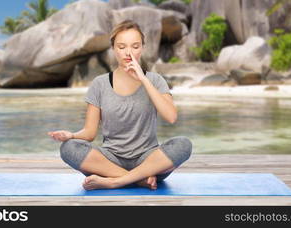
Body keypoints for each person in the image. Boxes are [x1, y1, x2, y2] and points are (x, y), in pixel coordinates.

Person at [47, 20, 192, 190]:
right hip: (110, 160)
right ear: (114, 49)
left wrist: (143, 79)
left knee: (183, 145)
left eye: (135, 46)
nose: (128, 53)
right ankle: (138, 180)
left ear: (142, 48)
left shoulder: (155, 80)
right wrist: (70, 135)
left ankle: (116, 181)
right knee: (68, 149)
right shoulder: (99, 84)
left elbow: (171, 117)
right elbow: (89, 133)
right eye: (122, 47)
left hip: (149, 160)